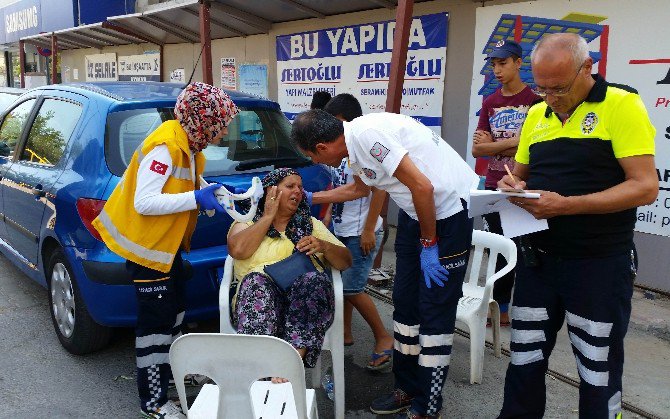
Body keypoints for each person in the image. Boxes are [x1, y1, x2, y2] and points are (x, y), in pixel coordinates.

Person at [497, 33, 657, 418]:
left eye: (559, 88)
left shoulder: (621, 104)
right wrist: (511, 186)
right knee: (524, 357)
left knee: (596, 366)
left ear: (588, 68)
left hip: (598, 264)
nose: (550, 97)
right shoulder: (538, 113)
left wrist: (567, 206)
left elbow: (645, 186)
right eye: (542, 88)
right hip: (539, 262)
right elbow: (519, 175)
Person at [291, 110, 479, 419]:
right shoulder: (351, 146)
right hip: (414, 215)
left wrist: (429, 244)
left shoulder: (366, 135)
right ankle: (406, 388)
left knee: (434, 311)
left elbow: (423, 187)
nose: (314, 163)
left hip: (447, 215)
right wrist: (313, 197)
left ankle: (428, 405)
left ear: (323, 147)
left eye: (312, 156)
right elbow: (361, 189)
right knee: (405, 305)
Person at [92, 82, 239, 419]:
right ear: (204, 121)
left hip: (164, 251)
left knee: (174, 316)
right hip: (147, 252)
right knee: (155, 328)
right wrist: (195, 199)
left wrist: (210, 190)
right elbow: (145, 202)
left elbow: (186, 180)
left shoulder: (188, 146)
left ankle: (173, 374)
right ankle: (154, 401)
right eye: (222, 122)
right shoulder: (166, 147)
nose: (225, 129)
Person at [226, 168, 351, 380]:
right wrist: (268, 216)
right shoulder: (246, 222)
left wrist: (323, 246)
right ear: (271, 191)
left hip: (301, 301)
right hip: (259, 298)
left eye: (300, 187)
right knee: (257, 282)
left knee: (313, 280)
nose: (298, 191)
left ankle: (291, 358)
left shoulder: (311, 225)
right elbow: (238, 250)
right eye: (290, 186)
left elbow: (346, 262)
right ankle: (264, 367)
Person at [320, 93, 394, 370]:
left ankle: (384, 338)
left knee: (352, 288)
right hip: (342, 227)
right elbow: (337, 186)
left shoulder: (361, 146)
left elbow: (378, 190)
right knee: (343, 286)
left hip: (361, 231)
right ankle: (345, 332)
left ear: (344, 121)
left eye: (332, 123)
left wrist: (368, 230)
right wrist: (328, 214)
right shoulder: (339, 149)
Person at [471, 39, 540, 327]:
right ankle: (500, 308)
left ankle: (526, 305)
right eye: (494, 64)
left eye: (503, 63)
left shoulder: (536, 102)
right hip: (494, 185)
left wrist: (496, 145)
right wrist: (512, 144)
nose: (497, 70)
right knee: (499, 248)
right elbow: (477, 150)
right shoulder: (490, 102)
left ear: (518, 63)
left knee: (525, 249)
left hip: (523, 185)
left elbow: (534, 144)